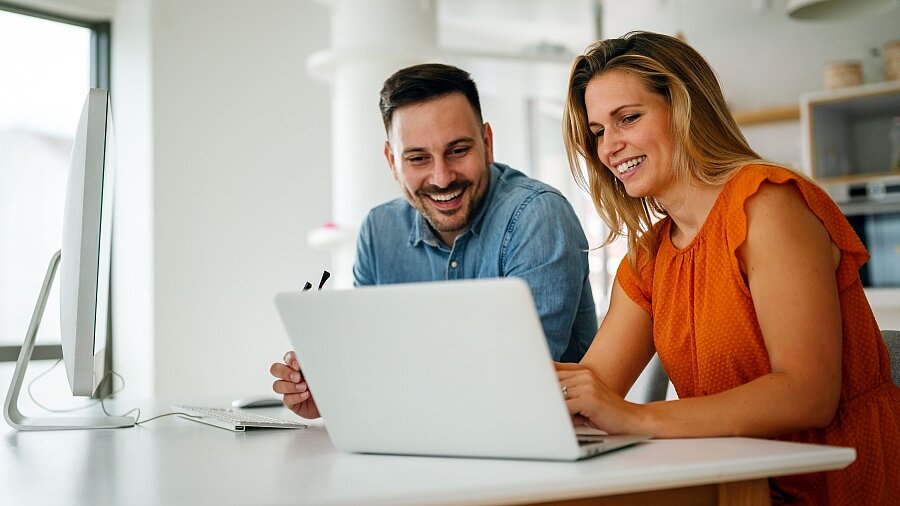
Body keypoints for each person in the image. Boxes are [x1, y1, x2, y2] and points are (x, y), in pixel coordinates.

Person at [556, 31, 899, 504]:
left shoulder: (769, 205)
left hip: (832, 478)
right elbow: (591, 388)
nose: (610, 146)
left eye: (628, 119)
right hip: (733, 476)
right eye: (597, 132)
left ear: (685, 109)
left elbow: (808, 393)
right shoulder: (649, 257)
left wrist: (637, 417)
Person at [271, 63, 597, 418]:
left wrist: (373, 384)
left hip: (537, 446)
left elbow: (521, 384)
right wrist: (333, 391)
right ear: (392, 161)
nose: (441, 178)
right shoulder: (379, 232)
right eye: (418, 158)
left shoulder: (537, 217)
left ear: (487, 144)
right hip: (421, 444)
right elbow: (370, 361)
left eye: (458, 150)